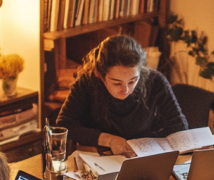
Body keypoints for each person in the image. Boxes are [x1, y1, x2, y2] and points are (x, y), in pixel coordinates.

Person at [56, 35, 187, 156]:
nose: (126, 90)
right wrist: (108, 140)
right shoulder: (87, 82)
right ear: (99, 74)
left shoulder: (155, 81)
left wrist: (145, 146)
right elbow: (64, 125)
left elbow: (179, 127)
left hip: (143, 157)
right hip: (99, 159)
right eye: (116, 83)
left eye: (132, 81)